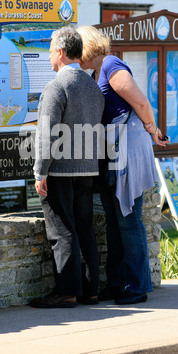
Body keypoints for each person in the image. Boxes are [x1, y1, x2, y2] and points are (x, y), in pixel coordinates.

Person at [77, 25, 169, 305]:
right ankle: (117, 284)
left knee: (129, 220)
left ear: (86, 47)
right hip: (111, 151)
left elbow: (140, 102)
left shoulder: (110, 65)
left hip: (127, 148)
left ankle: (138, 286)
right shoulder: (95, 72)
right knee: (115, 223)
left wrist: (154, 131)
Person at [29, 27, 105, 308]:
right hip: (88, 168)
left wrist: (40, 172)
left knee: (61, 230)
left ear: (60, 52)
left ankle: (66, 292)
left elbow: (46, 132)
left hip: (60, 170)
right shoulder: (92, 86)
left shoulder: (56, 86)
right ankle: (90, 290)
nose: (50, 56)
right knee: (84, 227)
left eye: (51, 51)